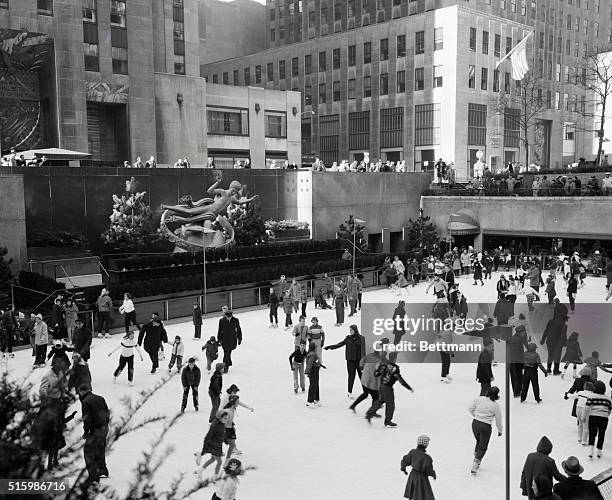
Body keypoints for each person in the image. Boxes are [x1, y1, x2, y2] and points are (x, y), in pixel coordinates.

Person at [365, 360, 414, 426]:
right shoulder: (395, 369)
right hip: (387, 388)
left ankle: (369, 413)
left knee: (381, 401)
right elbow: (401, 381)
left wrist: (377, 370)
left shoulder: (384, 365)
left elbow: (376, 374)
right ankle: (388, 421)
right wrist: (409, 388)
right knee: (390, 404)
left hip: (381, 386)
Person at [78, 384, 110, 484]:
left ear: (82, 392)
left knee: (88, 452)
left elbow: (87, 419)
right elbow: (107, 412)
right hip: (104, 428)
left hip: (94, 430)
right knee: (100, 448)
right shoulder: (100, 398)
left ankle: (93, 475)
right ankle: (102, 470)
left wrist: (86, 432)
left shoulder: (85, 402)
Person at [468, 386, 502, 474]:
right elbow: (498, 419)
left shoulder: (480, 399)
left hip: (475, 423)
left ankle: (476, 454)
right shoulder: (495, 405)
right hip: (486, 426)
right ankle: (475, 464)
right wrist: (500, 430)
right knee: (483, 446)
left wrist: (476, 416)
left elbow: (470, 408)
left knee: (478, 440)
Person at [324, 324, 366, 398]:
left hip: (359, 361)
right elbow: (340, 344)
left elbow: (363, 351)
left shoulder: (361, 338)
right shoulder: (348, 338)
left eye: (351, 330)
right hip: (350, 360)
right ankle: (349, 392)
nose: (350, 331)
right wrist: (330, 347)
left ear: (355, 330)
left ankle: (366, 391)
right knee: (351, 376)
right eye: (350, 330)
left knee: (361, 376)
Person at [350, 340, 388, 413]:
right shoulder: (378, 360)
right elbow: (377, 372)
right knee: (375, 396)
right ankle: (372, 412)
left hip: (364, 380)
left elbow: (361, 363)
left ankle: (353, 406)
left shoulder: (369, 355)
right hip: (370, 382)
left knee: (365, 394)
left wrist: (362, 368)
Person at [219, 385, 254, 462]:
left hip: (229, 421)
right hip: (225, 421)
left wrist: (248, 407)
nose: (235, 393)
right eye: (235, 392)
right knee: (224, 437)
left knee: (232, 436)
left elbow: (238, 402)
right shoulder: (226, 398)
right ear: (231, 391)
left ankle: (232, 448)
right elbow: (221, 408)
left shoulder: (233, 400)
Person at [400, 435, 436, 500]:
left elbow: (406, 460)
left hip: (412, 475)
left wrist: (403, 467)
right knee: (423, 494)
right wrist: (433, 474)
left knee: (414, 493)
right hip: (421, 477)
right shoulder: (427, 458)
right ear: (426, 445)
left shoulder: (412, 452)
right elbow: (428, 470)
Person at [194, 410, 229, 477]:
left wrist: (225, 440)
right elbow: (208, 437)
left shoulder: (222, 424)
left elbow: (222, 433)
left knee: (212, 459)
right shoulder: (215, 425)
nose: (226, 420)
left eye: (227, 418)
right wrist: (204, 449)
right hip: (215, 445)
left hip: (218, 444)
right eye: (225, 418)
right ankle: (215, 478)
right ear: (220, 417)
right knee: (219, 462)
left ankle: (200, 470)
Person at [584, 380, 612, 459]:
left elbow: (587, 407)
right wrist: (606, 414)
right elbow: (609, 409)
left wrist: (584, 416)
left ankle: (591, 451)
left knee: (592, 434)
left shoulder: (591, 396)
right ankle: (599, 451)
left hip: (593, 416)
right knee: (601, 434)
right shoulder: (608, 399)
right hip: (604, 418)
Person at [565, 380, 595, 446]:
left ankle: (579, 437)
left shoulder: (580, 392)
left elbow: (572, 396)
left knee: (580, 423)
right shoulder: (592, 395)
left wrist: (567, 394)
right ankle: (584, 440)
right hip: (585, 410)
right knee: (585, 425)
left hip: (578, 409)